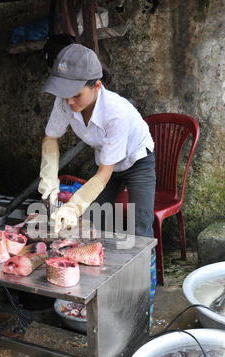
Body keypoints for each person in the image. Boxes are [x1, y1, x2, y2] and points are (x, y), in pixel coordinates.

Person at [38, 43, 156, 241]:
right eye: (65, 94)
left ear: (97, 86)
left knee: (140, 229)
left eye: (76, 94)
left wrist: (73, 207)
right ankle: (99, 264)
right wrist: (49, 180)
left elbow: (104, 173)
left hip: (137, 161)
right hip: (105, 159)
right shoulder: (64, 101)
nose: (69, 101)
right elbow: (51, 138)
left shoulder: (115, 112)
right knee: (94, 220)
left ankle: (146, 271)